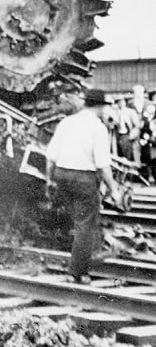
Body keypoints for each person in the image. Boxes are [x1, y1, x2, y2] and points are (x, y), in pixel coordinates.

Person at [45, 88, 123, 284]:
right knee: (85, 225)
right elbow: (103, 164)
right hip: (83, 179)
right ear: (100, 106)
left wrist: (49, 180)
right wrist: (114, 190)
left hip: (62, 174)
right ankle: (76, 272)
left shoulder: (66, 122)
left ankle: (78, 261)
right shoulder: (98, 128)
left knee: (75, 220)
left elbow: (51, 155)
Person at [114, 97, 141, 166]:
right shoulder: (115, 112)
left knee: (129, 153)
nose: (121, 103)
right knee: (121, 153)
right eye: (119, 102)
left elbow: (137, 124)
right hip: (118, 135)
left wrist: (133, 134)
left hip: (128, 134)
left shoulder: (130, 112)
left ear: (125, 102)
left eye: (122, 101)